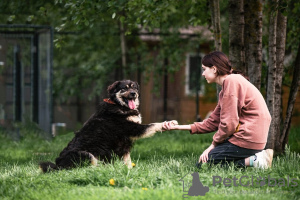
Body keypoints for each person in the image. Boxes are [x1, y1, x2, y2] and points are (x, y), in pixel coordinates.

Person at [163, 51, 273, 169]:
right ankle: (254, 160)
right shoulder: (226, 89)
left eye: (204, 69)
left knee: (204, 165)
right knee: (207, 163)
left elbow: (229, 123)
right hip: (252, 139)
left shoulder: (232, 81)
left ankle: (257, 161)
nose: (203, 74)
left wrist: (213, 145)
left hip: (248, 138)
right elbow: (212, 122)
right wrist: (178, 127)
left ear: (214, 69)